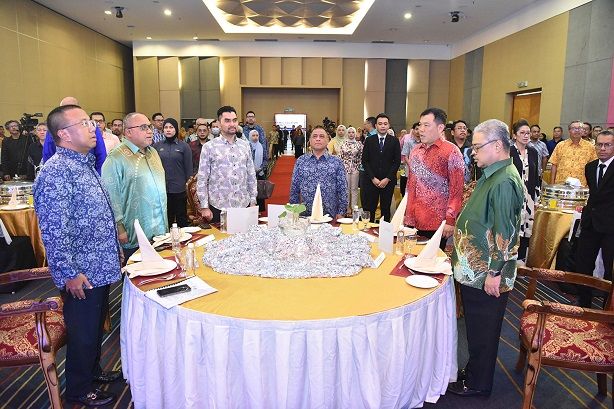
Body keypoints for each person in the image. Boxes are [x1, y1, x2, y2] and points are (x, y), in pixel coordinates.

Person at [34, 104, 122, 406]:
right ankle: (79, 388)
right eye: (84, 123)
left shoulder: (84, 164)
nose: (92, 127)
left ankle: (93, 371)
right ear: (64, 134)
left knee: (94, 327)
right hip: (81, 270)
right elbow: (54, 230)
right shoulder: (56, 172)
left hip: (99, 265)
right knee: (83, 331)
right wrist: (69, 273)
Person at [448, 119, 523, 398]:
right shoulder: (493, 174)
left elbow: (506, 232)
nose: (473, 152)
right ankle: (474, 372)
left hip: (487, 274)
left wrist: (495, 273)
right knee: (476, 328)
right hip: (476, 270)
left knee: (483, 331)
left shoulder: (504, 181)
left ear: (497, 146)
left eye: (478, 147)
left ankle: (478, 383)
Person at [102, 112, 168, 261]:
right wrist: (120, 228)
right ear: (128, 132)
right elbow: (110, 196)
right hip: (134, 233)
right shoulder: (116, 158)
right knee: (138, 272)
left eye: (150, 127)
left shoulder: (153, 153)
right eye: (143, 127)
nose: (149, 131)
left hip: (160, 229)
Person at [404, 108, 464, 249]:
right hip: (413, 220)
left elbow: (456, 190)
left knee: (432, 259)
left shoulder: (451, 151)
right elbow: (411, 185)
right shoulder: (415, 151)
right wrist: (407, 214)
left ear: (440, 127)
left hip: (437, 222)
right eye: (420, 125)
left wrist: (450, 220)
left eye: (426, 125)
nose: (421, 129)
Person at [197, 106, 257, 223]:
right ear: (219, 123)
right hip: (218, 207)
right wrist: (204, 206)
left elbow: (251, 175)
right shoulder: (209, 147)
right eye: (227, 121)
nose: (232, 124)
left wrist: (253, 200)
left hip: (243, 204)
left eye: (234, 120)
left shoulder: (245, 145)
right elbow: (202, 178)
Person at [575, 130, 614, 307]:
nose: (602, 148)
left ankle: (608, 306)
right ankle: (584, 302)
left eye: (607, 145)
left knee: (609, 268)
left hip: (610, 226)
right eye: (599, 145)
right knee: (583, 264)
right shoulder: (590, 167)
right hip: (590, 223)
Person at [289, 126, 348, 219]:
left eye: (322, 136)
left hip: (329, 216)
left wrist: (341, 212)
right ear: (310, 140)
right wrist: (294, 210)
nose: (318, 139)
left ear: (328, 140)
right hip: (305, 215)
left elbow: (343, 188)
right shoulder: (301, 161)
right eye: (315, 136)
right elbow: (294, 187)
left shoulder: (336, 162)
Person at [42, 96, 107, 175]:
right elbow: (48, 153)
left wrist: (99, 176)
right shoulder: (53, 130)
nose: (91, 129)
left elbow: (101, 154)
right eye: (66, 109)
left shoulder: (91, 127)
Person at [361, 113, 401, 223]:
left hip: (387, 181)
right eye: (380, 124)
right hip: (371, 181)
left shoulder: (394, 141)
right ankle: (369, 229)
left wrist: (387, 178)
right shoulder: (369, 140)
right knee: (370, 208)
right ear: (376, 126)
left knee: (385, 209)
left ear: (389, 125)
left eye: (385, 124)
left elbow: (396, 162)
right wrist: (373, 178)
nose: (383, 126)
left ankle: (385, 231)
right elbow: (365, 161)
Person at [510, 119, 540, 261]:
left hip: (528, 198)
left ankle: (521, 260)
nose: (526, 135)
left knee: (526, 230)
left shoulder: (533, 152)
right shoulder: (509, 151)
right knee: (513, 228)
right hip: (513, 197)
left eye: (528, 133)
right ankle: (509, 261)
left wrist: (536, 199)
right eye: (522, 133)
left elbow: (536, 176)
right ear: (514, 135)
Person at [154, 118, 192, 227]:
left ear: (176, 129)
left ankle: (183, 237)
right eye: (166, 127)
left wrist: (187, 187)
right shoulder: (156, 146)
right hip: (162, 189)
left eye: (171, 127)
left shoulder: (184, 146)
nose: (168, 130)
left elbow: (188, 168)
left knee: (181, 218)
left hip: (179, 189)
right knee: (166, 218)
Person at [549, 120, 597, 186]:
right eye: (574, 128)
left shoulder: (590, 147)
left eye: (579, 128)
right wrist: (552, 184)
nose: (577, 130)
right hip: (561, 185)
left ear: (582, 130)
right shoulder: (560, 145)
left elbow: (594, 167)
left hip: (581, 186)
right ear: (569, 131)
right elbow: (554, 165)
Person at [339, 126, 363, 214]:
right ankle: (347, 208)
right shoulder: (343, 144)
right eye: (349, 132)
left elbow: (361, 156)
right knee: (346, 189)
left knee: (354, 189)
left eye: (353, 132)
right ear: (347, 133)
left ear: (355, 133)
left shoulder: (359, 144)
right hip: (345, 168)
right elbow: (340, 157)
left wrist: (358, 166)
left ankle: (354, 208)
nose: (351, 134)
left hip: (355, 168)